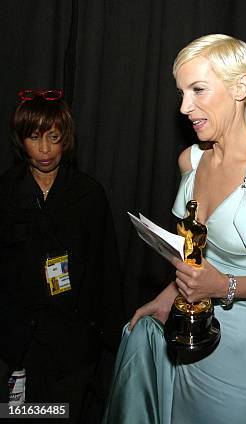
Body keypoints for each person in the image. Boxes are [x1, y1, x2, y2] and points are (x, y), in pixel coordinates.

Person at [102, 34, 246, 423]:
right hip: (192, 344)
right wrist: (169, 295)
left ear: (241, 87)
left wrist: (225, 286)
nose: (185, 107)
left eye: (198, 89)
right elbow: (196, 254)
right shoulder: (191, 161)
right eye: (182, 92)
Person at [0, 90, 124, 422]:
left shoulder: (88, 194)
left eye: (53, 138)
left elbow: (106, 269)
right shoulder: (6, 192)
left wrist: (108, 339)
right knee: (22, 416)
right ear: (20, 139)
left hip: (72, 345)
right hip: (17, 344)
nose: (44, 149)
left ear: (66, 139)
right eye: (34, 137)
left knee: (62, 416)